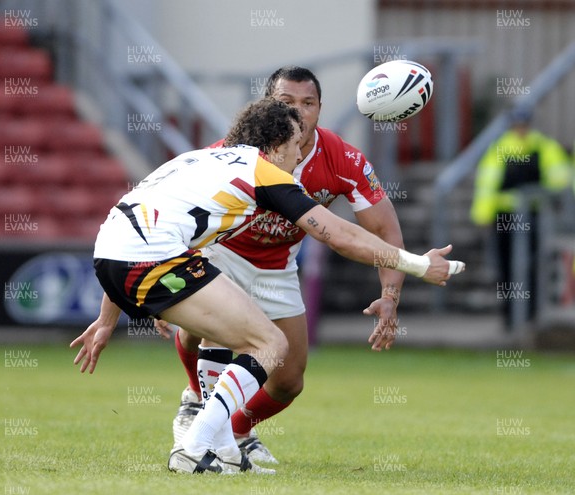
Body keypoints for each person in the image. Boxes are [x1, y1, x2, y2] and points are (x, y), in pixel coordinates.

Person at [71, 98, 465, 475]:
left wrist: (108, 318)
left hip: (112, 252)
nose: (299, 156)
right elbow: (342, 236)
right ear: (274, 147)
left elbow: (133, 228)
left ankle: (223, 448)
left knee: (229, 336)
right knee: (270, 344)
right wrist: (416, 264)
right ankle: (192, 447)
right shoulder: (265, 172)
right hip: (151, 258)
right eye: (295, 146)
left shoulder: (201, 158)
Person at [166, 66, 422, 464]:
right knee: (200, 330)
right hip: (222, 253)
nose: (300, 113)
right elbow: (180, 213)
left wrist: (390, 295)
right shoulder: (232, 151)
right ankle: (196, 405)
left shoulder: (344, 159)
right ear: (269, 106)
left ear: (321, 109)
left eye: (309, 103)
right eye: (287, 103)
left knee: (288, 379)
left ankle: (236, 431)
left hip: (277, 268)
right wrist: (163, 285)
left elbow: (385, 233)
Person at [471, 107, 571, 328]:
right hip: (504, 219)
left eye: (523, 125)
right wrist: (483, 216)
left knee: (534, 265)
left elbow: (560, 180)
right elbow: (486, 187)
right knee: (506, 268)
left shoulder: (544, 147)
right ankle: (510, 315)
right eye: (517, 125)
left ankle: (531, 314)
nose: (521, 130)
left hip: (534, 218)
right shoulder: (499, 150)